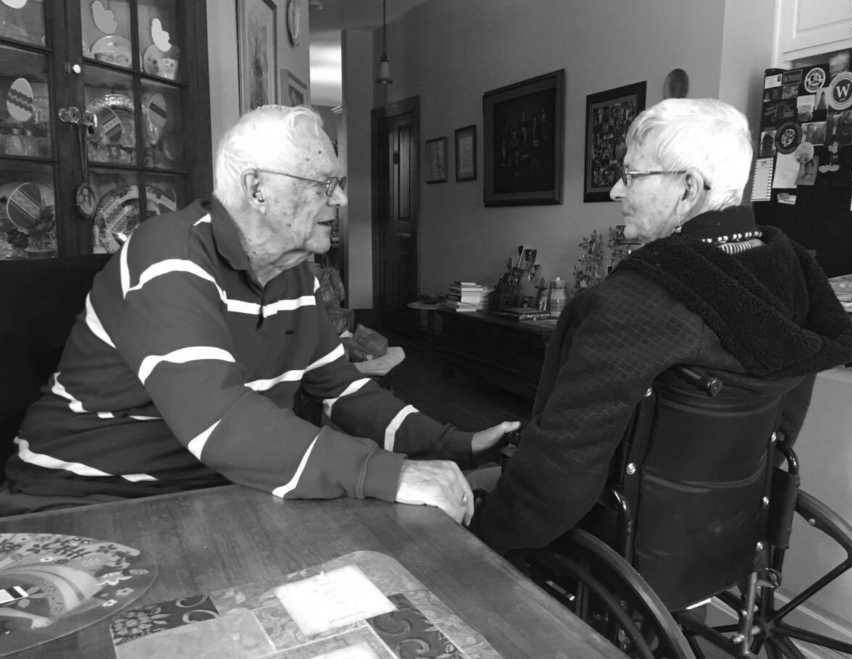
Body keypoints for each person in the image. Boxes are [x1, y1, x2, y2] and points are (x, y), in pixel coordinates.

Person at [3, 105, 518, 519]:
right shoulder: (166, 254)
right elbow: (219, 421)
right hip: (83, 500)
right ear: (257, 190)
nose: (339, 199)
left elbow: (341, 389)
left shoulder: (294, 274)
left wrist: (456, 444)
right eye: (323, 184)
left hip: (213, 495)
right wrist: (394, 474)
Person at [470, 98, 852, 555]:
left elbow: (563, 463)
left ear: (688, 189)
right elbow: (783, 426)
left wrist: (486, 533)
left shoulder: (640, 300)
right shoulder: (789, 269)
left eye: (631, 176)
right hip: (730, 523)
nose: (616, 190)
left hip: (629, 537)